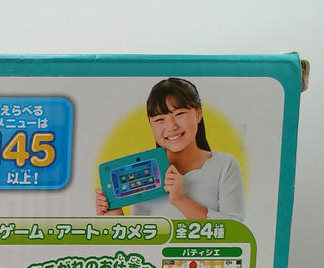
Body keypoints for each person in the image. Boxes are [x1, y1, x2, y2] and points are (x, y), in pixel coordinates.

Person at [95, 78, 243, 221]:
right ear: (151, 125)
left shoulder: (225, 165)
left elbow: (235, 229)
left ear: (198, 114)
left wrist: (181, 200)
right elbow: (143, 234)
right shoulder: (145, 175)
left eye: (179, 114)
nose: (171, 127)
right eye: (159, 119)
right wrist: (116, 218)